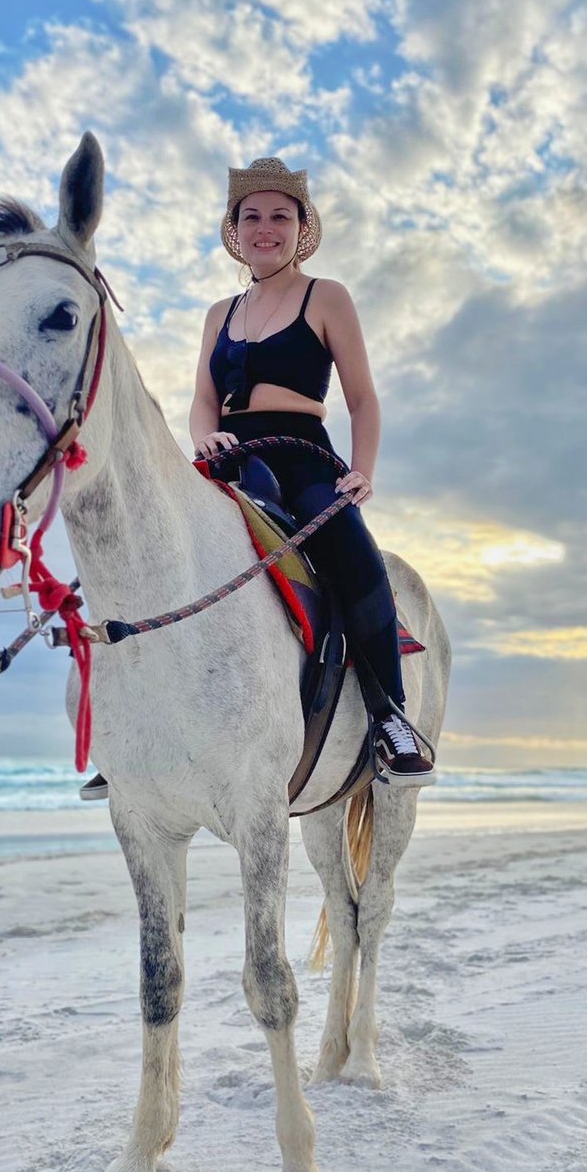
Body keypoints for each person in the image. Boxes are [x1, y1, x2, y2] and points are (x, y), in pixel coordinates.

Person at [80, 157, 433, 801]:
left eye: (279, 215)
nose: (265, 227)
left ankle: (390, 718)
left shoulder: (325, 296)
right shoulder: (221, 311)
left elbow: (363, 398)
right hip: (228, 457)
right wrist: (203, 435)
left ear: (300, 226)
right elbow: (200, 399)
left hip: (300, 455)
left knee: (356, 561)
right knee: (145, 552)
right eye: (252, 217)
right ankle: (135, 735)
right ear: (235, 230)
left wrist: (364, 470)